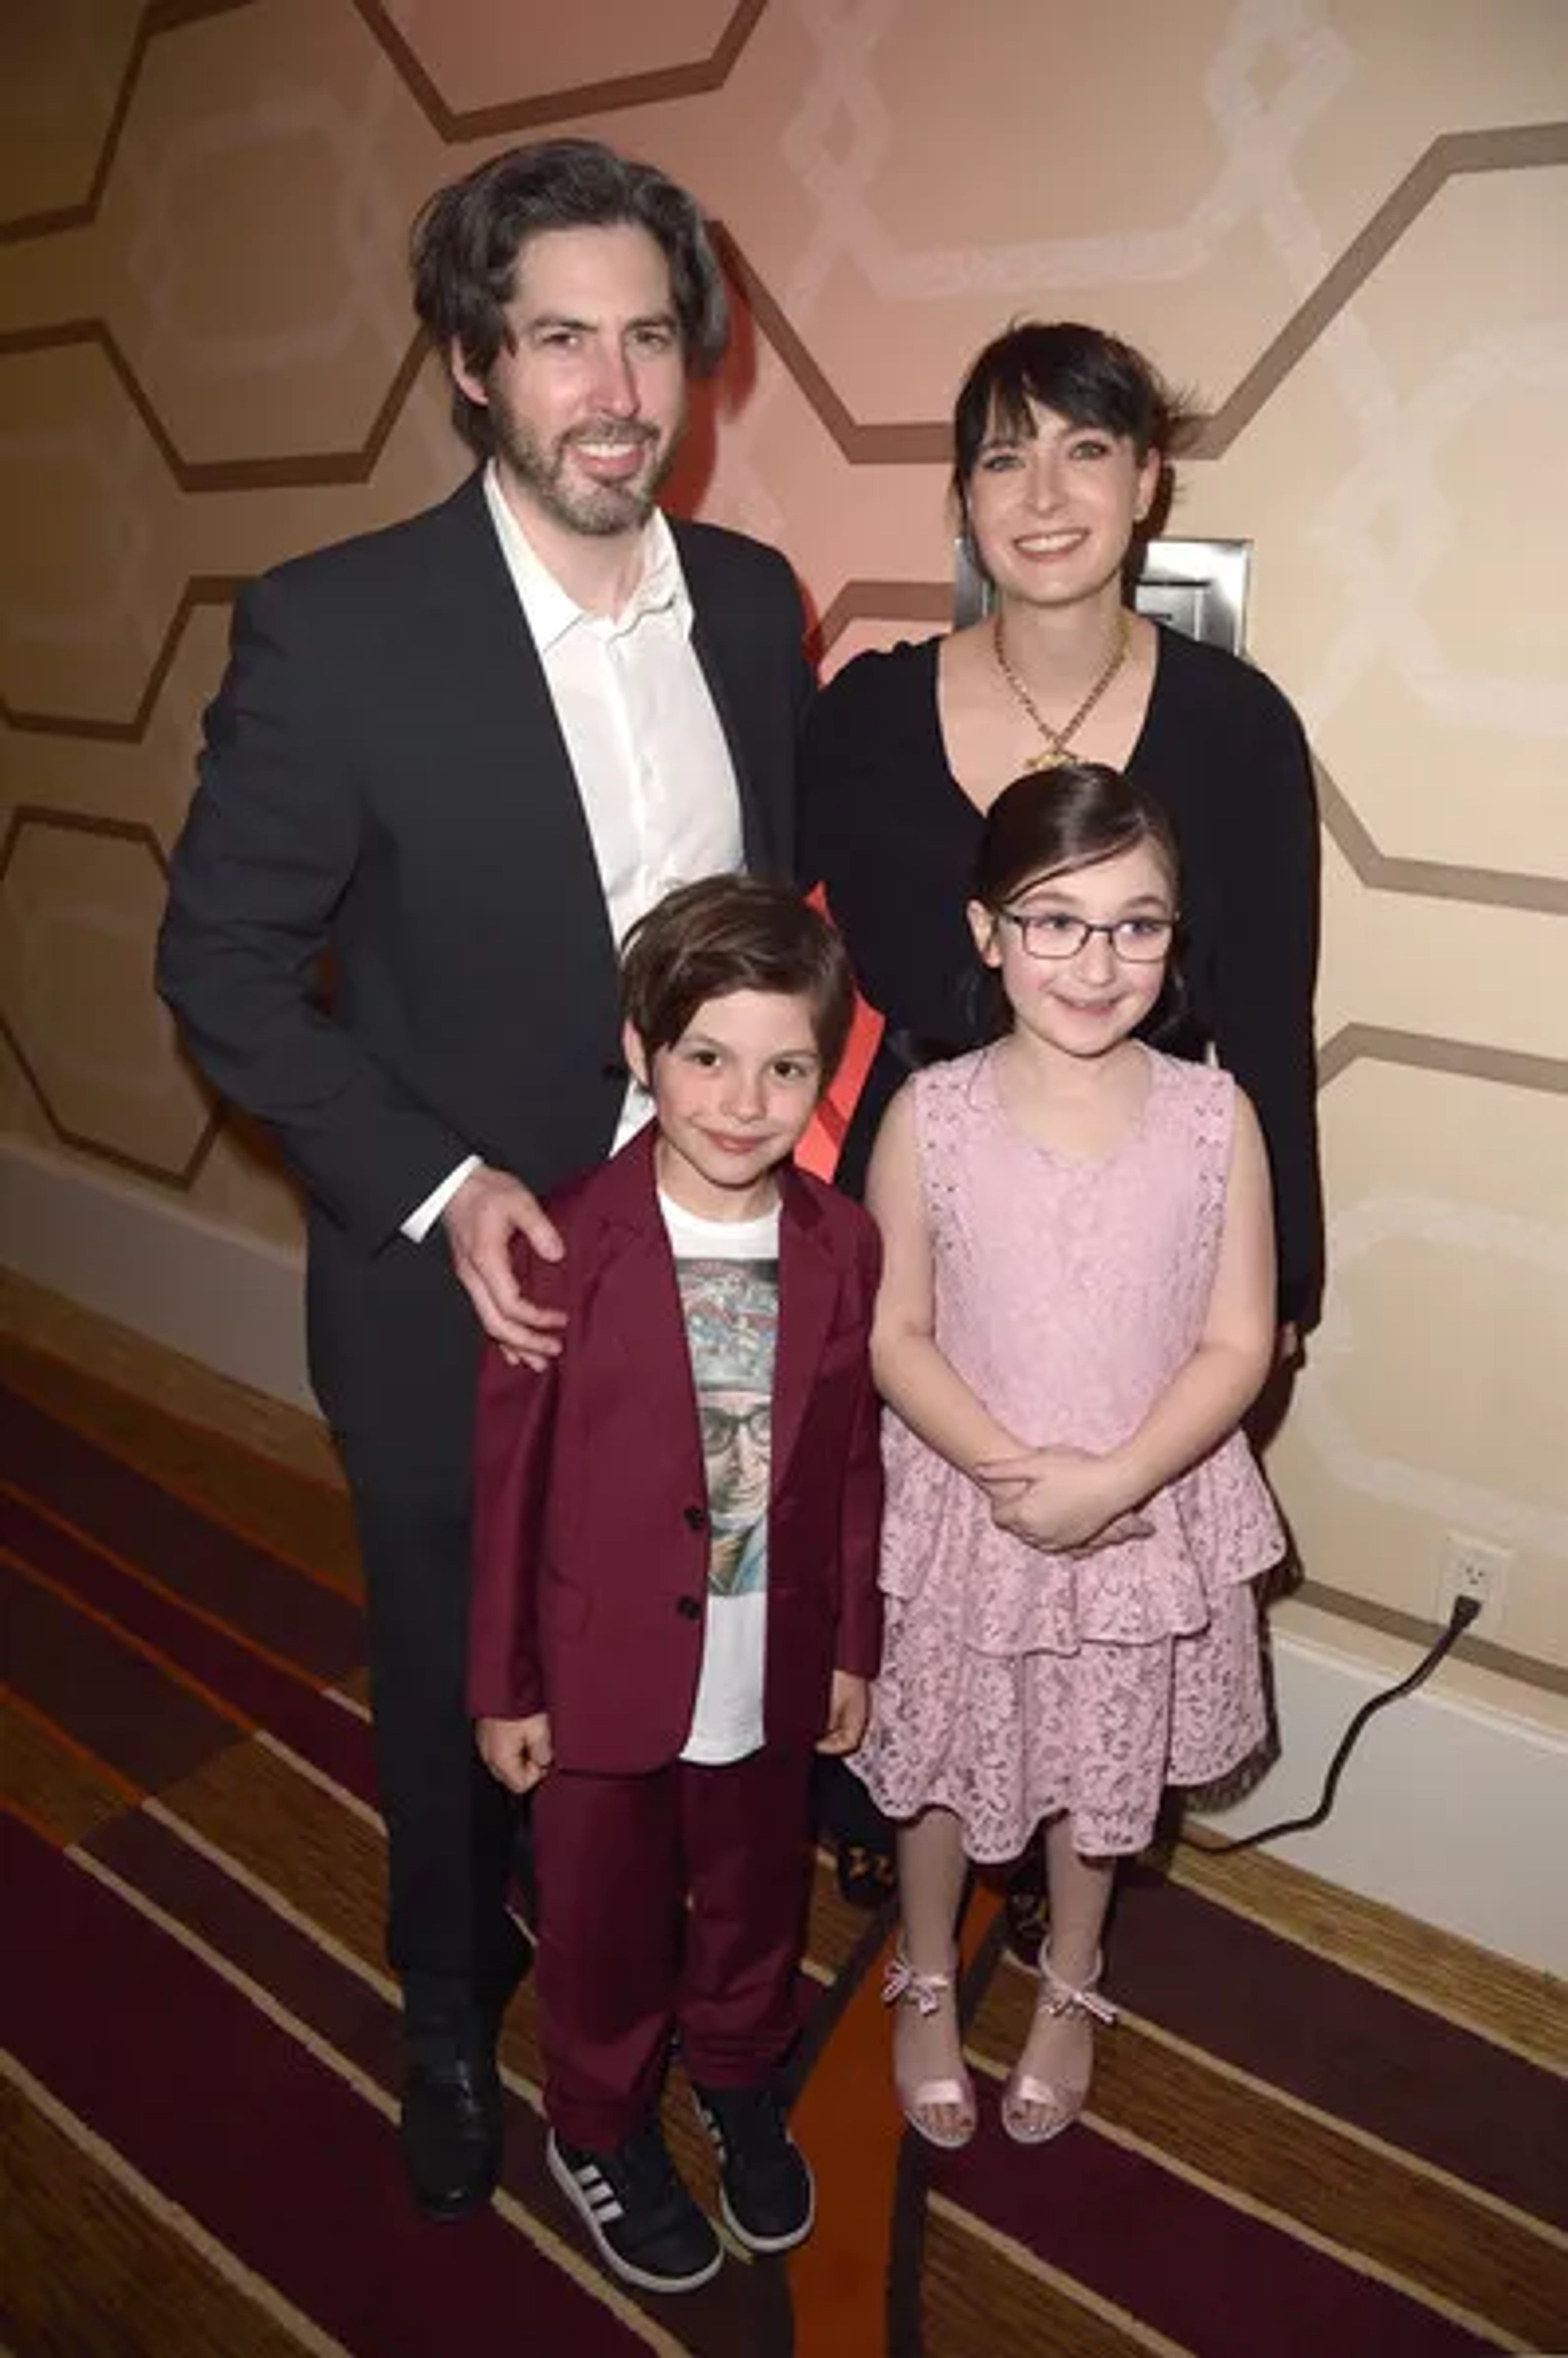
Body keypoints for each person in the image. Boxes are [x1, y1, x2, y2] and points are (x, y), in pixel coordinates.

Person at [156, 138, 813, 2221]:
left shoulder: (758, 609)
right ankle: (446, 2004)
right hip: (459, 1281)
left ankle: (674, 1996)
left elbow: (772, 923)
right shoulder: (340, 631)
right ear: (472, 363)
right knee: (462, 1681)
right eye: (559, 341)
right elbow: (221, 968)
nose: (617, 387)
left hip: (705, 1266)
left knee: (677, 1664)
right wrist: (442, 1189)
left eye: (649, 336)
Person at [800, 319, 1321, 1918]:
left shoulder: (1236, 728)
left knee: (1096, 1520)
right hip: (913, 1198)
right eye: (1003, 456)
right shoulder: (862, 714)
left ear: (1147, 480)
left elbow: (1269, 1022)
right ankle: (907, 1811)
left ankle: (1057, 1834)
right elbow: (785, 957)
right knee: (914, 1557)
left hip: (1130, 1216)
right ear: (959, 496)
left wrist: (1283, 1278)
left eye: (1084, 448)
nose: (1042, 493)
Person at [858, 764, 1284, 2149]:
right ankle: (924, 1965)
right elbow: (895, 1330)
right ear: (988, 930)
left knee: (1104, 1773)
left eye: (1136, 925)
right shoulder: (931, 1116)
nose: (1097, 963)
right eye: (1056, 920)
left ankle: (1071, 1973)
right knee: (934, 1761)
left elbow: (1236, 1342)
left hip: (1144, 1509)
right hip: (970, 1501)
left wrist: (1114, 1482)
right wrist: (1009, 1472)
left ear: (1176, 938)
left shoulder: (1221, 1117)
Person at [468, 876, 882, 2293]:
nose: (743, 1099)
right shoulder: (564, 1239)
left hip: (771, 1654)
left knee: (757, 1889)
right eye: (706, 1055)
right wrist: (505, 1683)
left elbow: (853, 1467)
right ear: (641, 1048)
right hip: (596, 1670)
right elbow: (510, 1484)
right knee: (599, 1911)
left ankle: (736, 2067)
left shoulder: (842, 1242)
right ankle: (597, 2115)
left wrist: (852, 1643)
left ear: (827, 1075)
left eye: (786, 1066)